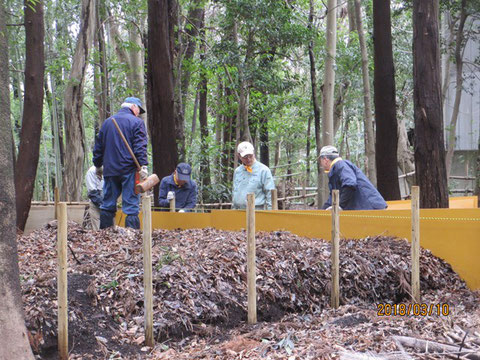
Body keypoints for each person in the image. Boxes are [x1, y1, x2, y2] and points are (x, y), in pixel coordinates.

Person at [93, 97, 148, 229]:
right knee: (131, 206)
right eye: (138, 110)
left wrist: (98, 164)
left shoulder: (107, 123)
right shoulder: (137, 122)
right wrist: (143, 165)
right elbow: (140, 146)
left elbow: (98, 147)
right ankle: (132, 238)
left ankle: (104, 237)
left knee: (107, 204)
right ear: (133, 107)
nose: (138, 113)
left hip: (110, 170)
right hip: (129, 170)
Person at [319, 145, 387, 210]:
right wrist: (320, 213)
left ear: (325, 160)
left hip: (371, 208)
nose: (321, 164)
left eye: (320, 160)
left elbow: (350, 184)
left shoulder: (341, 165)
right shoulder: (335, 171)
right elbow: (332, 199)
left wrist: (340, 206)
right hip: (363, 209)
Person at [232, 141, 275, 210]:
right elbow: (234, 192)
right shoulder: (237, 171)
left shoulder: (263, 170)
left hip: (256, 211)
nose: (248, 159)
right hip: (238, 211)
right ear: (239, 156)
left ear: (254, 153)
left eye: (250, 155)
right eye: (245, 157)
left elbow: (270, 193)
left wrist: (271, 214)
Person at [85, 165, 104, 230]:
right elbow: (92, 193)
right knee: (96, 228)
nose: (101, 178)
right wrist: (103, 205)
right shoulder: (91, 172)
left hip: (106, 200)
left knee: (109, 229)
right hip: (95, 202)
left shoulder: (110, 170)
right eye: (99, 176)